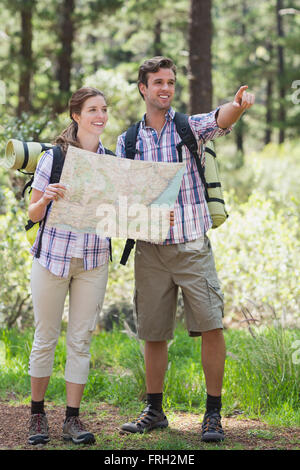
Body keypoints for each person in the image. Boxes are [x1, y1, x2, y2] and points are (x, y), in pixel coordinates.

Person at [116, 56, 255, 442]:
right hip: (150, 251)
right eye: (158, 82)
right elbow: (123, 196)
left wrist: (237, 105)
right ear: (143, 88)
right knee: (154, 332)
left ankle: (212, 415)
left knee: (211, 325)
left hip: (193, 246)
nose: (165, 88)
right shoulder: (128, 141)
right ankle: (155, 411)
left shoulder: (188, 127)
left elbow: (220, 119)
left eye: (171, 82)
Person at [27, 87, 112, 445]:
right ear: (76, 115)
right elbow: (31, 214)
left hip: (93, 261)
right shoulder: (54, 157)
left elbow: (120, 211)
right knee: (45, 337)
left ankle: (72, 421)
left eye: (104, 109)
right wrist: (46, 197)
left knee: (80, 340)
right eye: (93, 109)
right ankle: (37, 416)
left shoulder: (112, 160)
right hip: (52, 259)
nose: (101, 115)